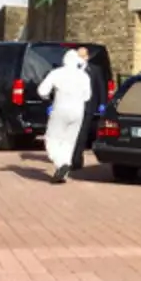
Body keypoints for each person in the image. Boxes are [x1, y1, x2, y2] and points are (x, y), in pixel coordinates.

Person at [37, 46, 93, 183]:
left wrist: (49, 98)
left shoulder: (57, 73)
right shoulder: (84, 76)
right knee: (69, 142)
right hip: (78, 112)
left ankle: (62, 164)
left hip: (60, 109)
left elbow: (42, 91)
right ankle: (64, 172)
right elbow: (87, 96)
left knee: (52, 139)